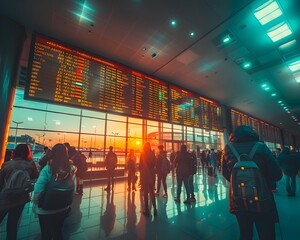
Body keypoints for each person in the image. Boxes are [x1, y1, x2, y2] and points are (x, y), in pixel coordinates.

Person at [221, 125, 282, 240]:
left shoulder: (228, 148)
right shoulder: (261, 147)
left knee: (245, 234)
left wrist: (241, 182)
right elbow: (277, 174)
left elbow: (225, 173)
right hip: (262, 200)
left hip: (239, 200)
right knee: (266, 234)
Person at [33, 143, 76, 240]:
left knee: (46, 234)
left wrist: (36, 203)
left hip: (46, 208)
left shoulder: (48, 168)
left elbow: (38, 190)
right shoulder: (71, 169)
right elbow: (73, 188)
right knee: (58, 233)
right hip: (62, 207)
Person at [0, 144, 39, 240]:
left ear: (15, 152)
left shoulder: (7, 164)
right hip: (20, 198)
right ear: (28, 152)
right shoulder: (30, 164)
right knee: (13, 224)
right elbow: (35, 177)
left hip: (5, 197)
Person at [139, 142, 157, 216]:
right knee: (152, 192)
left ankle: (147, 209)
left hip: (145, 174)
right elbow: (155, 163)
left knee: (145, 192)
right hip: (151, 174)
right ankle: (155, 209)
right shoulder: (153, 154)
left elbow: (140, 166)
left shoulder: (142, 154)